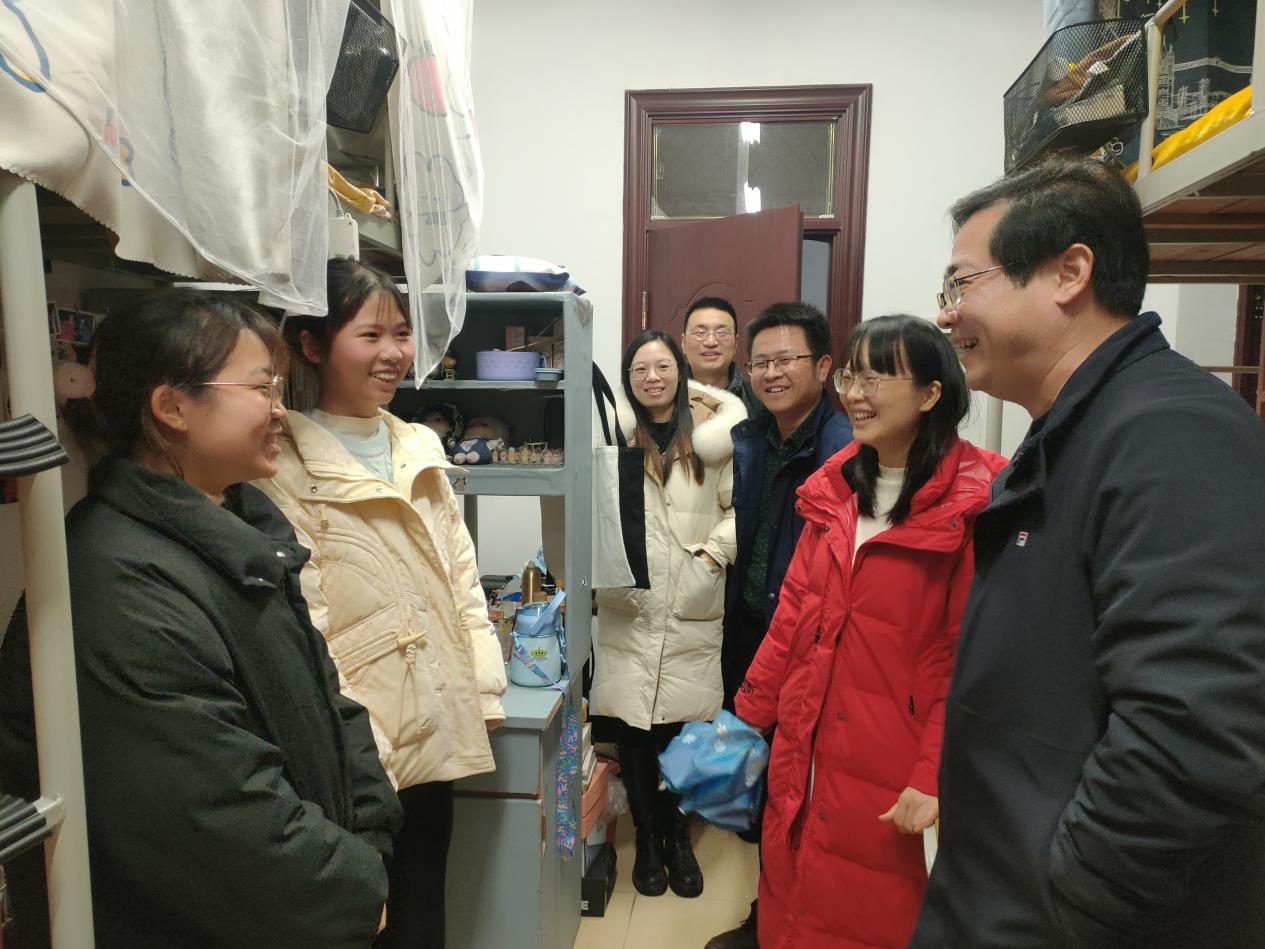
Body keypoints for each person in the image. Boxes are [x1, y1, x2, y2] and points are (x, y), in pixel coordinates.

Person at [912, 158, 1265, 947]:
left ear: (1069, 273)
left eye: (961, 284)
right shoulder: (1075, 429)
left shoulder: (1173, 433)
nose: (945, 314)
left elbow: (1194, 730)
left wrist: (1070, 905)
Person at [0, 291, 401, 949]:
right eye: (260, 388)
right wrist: (353, 886)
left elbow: (331, 706)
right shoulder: (118, 580)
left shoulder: (240, 529)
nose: (279, 410)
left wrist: (370, 847)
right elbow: (211, 812)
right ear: (172, 406)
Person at [257, 257, 507, 949]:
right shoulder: (282, 463)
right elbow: (309, 623)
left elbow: (461, 578)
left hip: (438, 722)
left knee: (424, 904)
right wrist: (353, 738)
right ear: (313, 344)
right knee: (366, 916)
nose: (393, 352)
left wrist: (482, 690)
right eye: (370, 335)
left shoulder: (417, 444)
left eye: (401, 333)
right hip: (359, 742)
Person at [734, 314, 1006, 949]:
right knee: (791, 893)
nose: (855, 394)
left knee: (863, 913)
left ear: (931, 393)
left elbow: (969, 659)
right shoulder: (834, 490)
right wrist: (746, 719)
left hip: (890, 768)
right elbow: (793, 616)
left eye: (875, 378)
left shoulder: (974, 505)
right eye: (851, 377)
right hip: (805, 743)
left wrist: (933, 774)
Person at [706, 301, 851, 949]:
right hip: (751, 620)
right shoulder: (752, 437)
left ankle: (785, 922)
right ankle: (771, 913)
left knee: (800, 788)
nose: (770, 373)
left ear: (823, 366)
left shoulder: (842, 447)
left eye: (786, 359)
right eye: (760, 362)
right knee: (765, 781)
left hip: (808, 636)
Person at [591, 329, 746, 898]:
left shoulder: (711, 441)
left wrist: (710, 556)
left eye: (662, 367)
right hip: (631, 602)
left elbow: (739, 509)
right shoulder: (612, 439)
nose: (652, 378)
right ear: (628, 379)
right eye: (639, 369)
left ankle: (678, 834)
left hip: (690, 598)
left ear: (680, 373)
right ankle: (648, 838)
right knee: (634, 727)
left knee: (685, 726)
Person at [681, 296, 758, 414]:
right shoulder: (666, 400)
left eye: (721, 332)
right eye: (700, 332)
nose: (711, 342)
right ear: (684, 342)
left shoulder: (758, 399)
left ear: (736, 343)